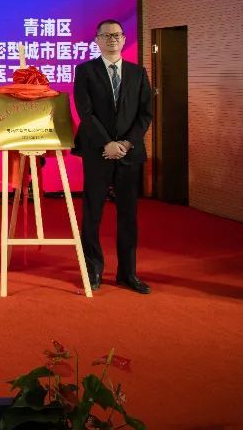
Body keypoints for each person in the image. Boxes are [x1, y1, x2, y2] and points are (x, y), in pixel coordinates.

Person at [73, 19, 153, 294]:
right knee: (92, 213)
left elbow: (145, 114)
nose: (112, 40)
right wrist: (107, 143)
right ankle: (93, 270)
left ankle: (127, 273)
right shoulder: (85, 71)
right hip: (98, 152)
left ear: (123, 39)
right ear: (97, 40)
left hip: (129, 154)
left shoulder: (138, 73)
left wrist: (127, 143)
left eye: (117, 35)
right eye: (106, 36)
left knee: (128, 216)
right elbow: (85, 112)